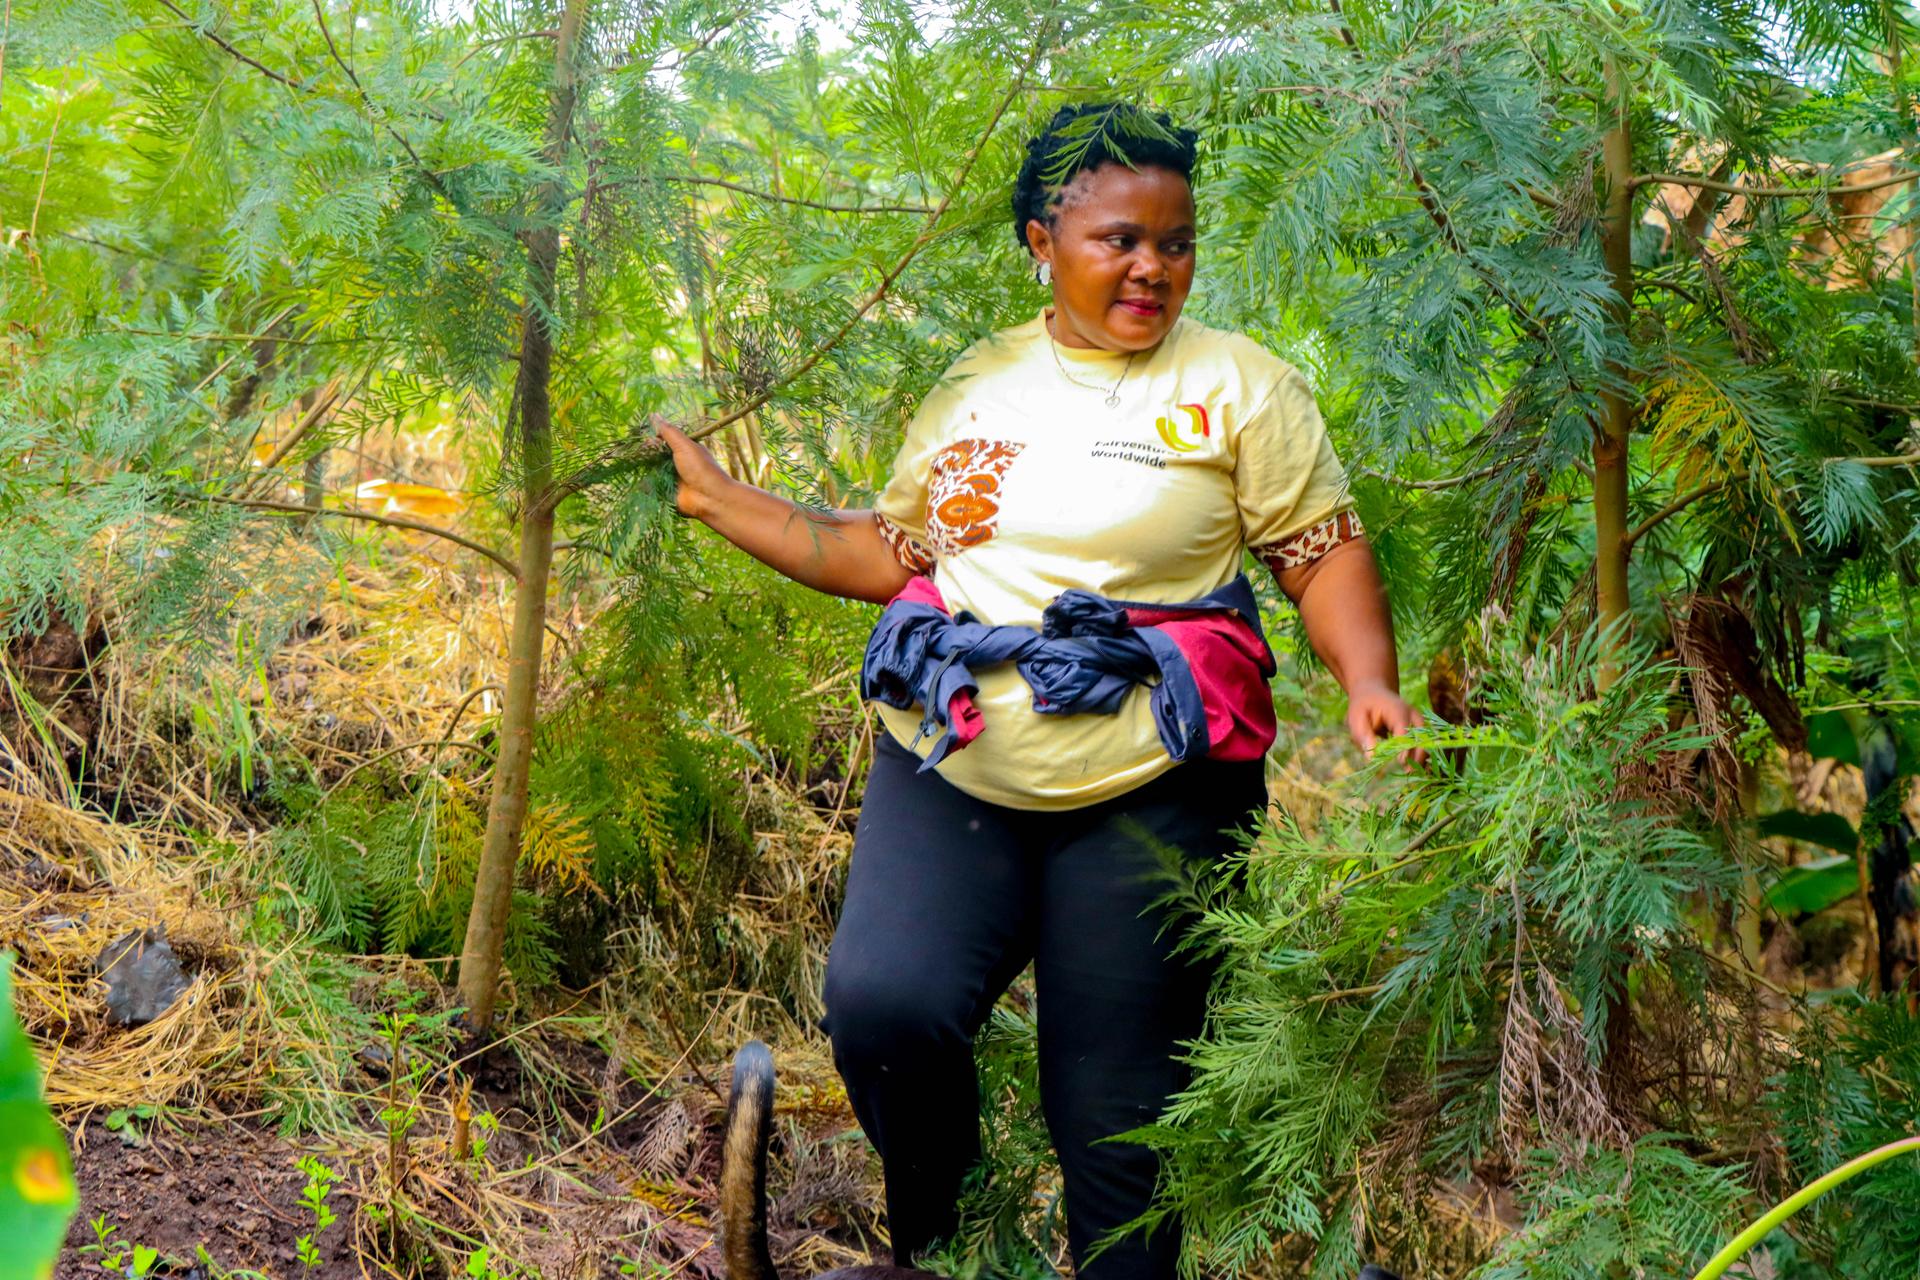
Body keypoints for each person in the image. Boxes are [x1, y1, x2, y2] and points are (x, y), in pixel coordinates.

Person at [660, 102, 1420, 1280]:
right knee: (884, 1007)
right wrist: (725, 502)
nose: (1151, 267)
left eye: (1175, 242)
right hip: (955, 753)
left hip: (1156, 782)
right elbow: (893, 553)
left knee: (1117, 1117)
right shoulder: (979, 383)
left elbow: (1319, 550)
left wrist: (1368, 678)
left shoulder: (1242, 387)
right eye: (1120, 238)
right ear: (1039, 240)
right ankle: (951, 1253)